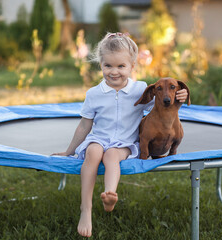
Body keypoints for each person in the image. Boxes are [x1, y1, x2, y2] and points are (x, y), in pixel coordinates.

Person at [52, 32, 188, 237]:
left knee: (112, 155)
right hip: (99, 137)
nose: (114, 72)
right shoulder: (94, 94)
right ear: (101, 65)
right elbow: (84, 125)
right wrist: (69, 151)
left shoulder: (141, 89)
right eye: (108, 66)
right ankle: (86, 209)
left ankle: (110, 194)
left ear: (132, 65)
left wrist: (181, 95)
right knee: (93, 153)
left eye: (121, 66)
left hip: (124, 143)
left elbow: (164, 103)